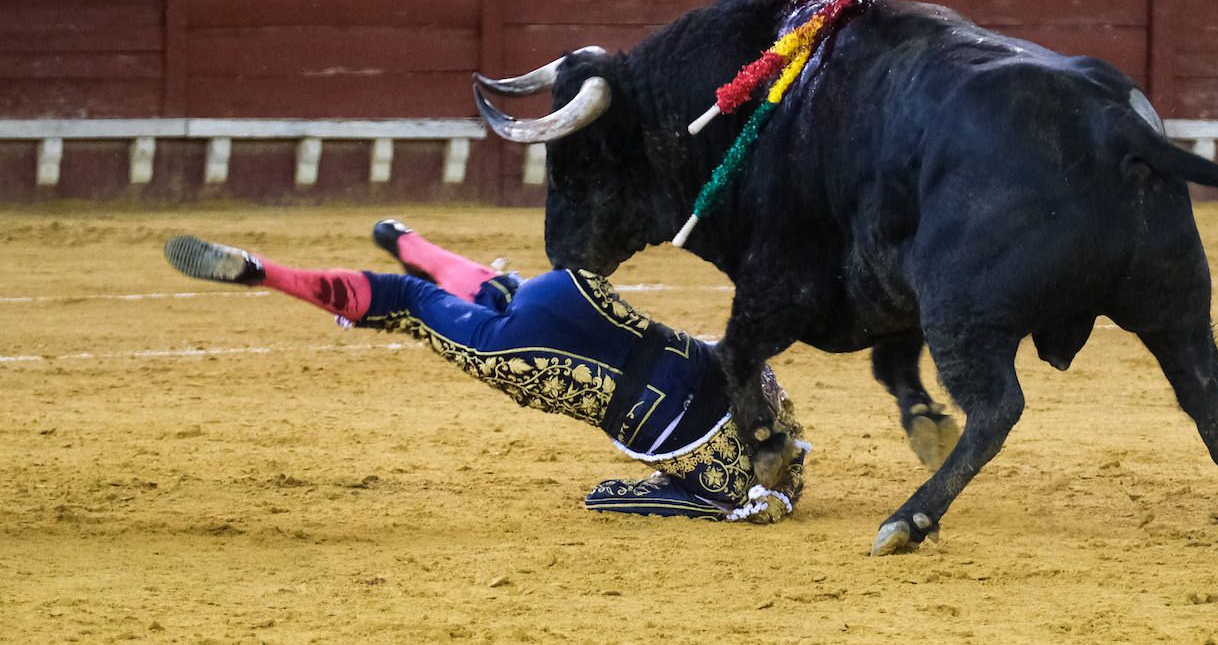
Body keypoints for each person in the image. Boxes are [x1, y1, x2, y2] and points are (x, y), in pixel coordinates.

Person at [162, 220, 808, 524]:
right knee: (409, 301)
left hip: (578, 298)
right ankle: (266, 273)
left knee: (510, 292)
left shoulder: (773, 429)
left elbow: (757, 383)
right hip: (534, 360)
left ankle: (407, 239)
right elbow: (613, 494)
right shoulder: (731, 490)